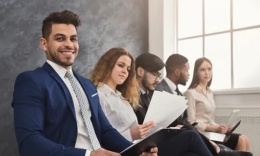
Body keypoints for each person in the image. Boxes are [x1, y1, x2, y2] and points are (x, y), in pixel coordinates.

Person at [11, 10, 157, 156]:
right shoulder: (31, 81)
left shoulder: (87, 85)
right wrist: (87, 155)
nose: (69, 44)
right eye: (60, 38)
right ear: (44, 44)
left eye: (73, 39)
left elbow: (105, 131)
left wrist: (137, 151)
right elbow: (29, 142)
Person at [90, 48, 215, 156]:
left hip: (141, 145)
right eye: (121, 65)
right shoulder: (98, 95)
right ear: (108, 64)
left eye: (128, 69)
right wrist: (131, 134)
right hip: (126, 150)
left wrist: (161, 130)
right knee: (190, 137)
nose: (125, 71)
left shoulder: (122, 97)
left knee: (191, 154)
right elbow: (100, 138)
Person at [184, 57, 251, 153]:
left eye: (209, 69)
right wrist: (215, 128)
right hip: (202, 135)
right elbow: (191, 122)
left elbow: (209, 119)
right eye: (202, 70)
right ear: (196, 73)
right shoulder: (190, 93)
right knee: (240, 139)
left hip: (212, 133)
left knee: (245, 138)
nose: (207, 73)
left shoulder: (210, 93)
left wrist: (221, 127)